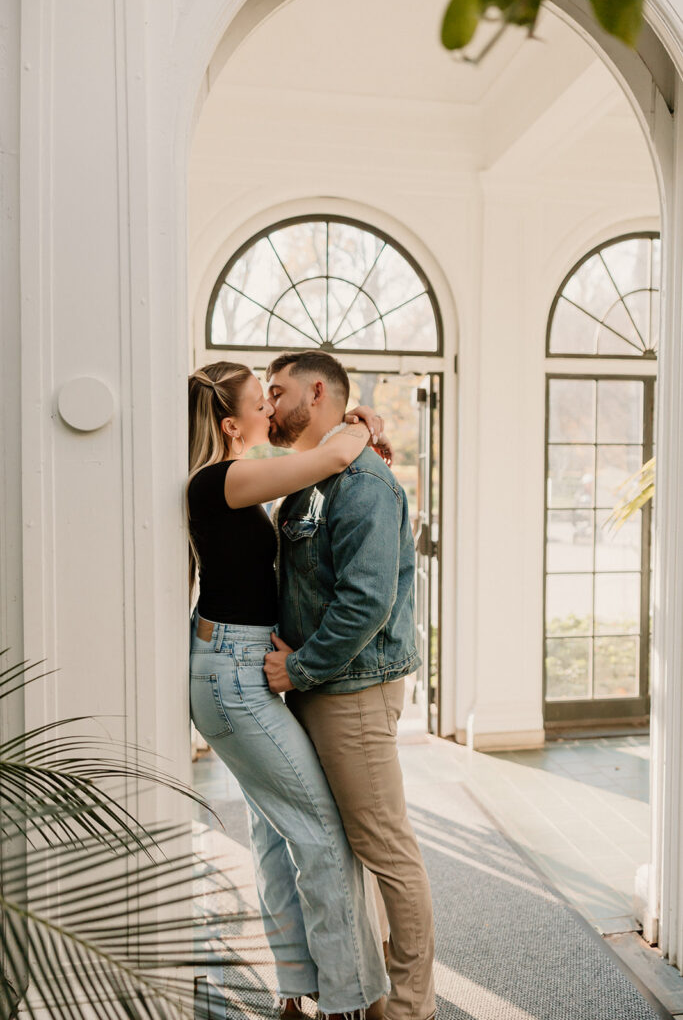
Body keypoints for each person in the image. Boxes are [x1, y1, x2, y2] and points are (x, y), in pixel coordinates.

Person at [187, 361, 390, 1020]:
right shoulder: (227, 477)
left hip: (231, 667)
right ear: (230, 424)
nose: (271, 411)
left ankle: (297, 989)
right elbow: (333, 454)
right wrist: (365, 422)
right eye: (260, 400)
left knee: (277, 835)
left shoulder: (232, 482)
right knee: (324, 835)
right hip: (233, 674)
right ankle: (347, 999)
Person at [262, 351, 436, 1020]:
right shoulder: (310, 479)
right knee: (341, 845)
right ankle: (363, 987)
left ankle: (407, 1007)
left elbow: (365, 605)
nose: (270, 405)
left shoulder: (361, 484)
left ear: (316, 391)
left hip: (350, 691)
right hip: (319, 688)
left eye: (276, 392)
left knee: (384, 846)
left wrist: (297, 668)